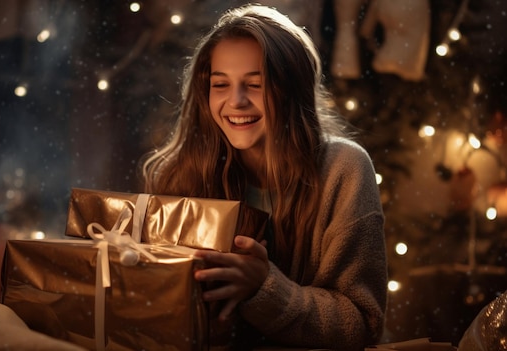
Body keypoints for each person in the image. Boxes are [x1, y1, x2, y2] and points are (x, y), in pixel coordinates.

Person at [140, 4, 387, 350]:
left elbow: (362, 323)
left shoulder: (343, 170)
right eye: (221, 84)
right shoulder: (181, 174)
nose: (236, 101)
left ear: (290, 90)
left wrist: (265, 288)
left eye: (255, 84)